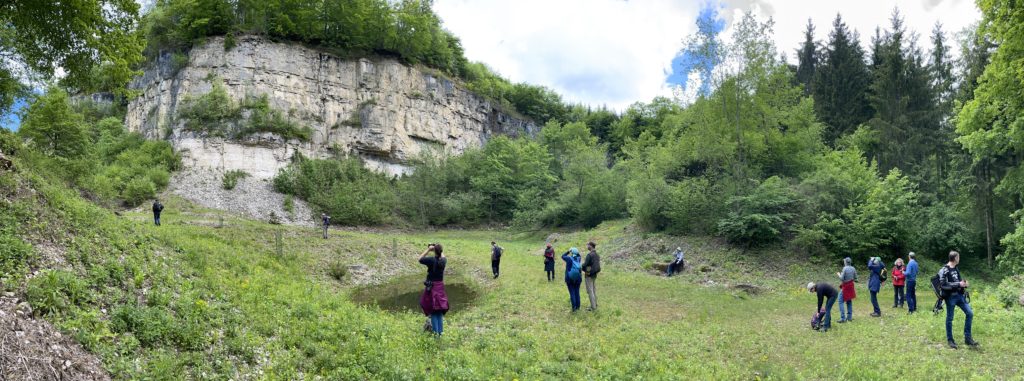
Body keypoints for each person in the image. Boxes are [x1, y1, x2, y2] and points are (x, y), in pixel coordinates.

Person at [939, 251, 978, 349]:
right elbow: (943, 285)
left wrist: (964, 284)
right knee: (950, 318)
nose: (959, 259)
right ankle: (950, 340)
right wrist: (958, 284)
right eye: (958, 257)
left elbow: (959, 281)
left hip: (960, 296)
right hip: (950, 297)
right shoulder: (944, 270)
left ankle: (968, 338)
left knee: (970, 313)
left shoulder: (956, 268)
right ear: (955, 258)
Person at [418, 243, 449, 335]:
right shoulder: (443, 261)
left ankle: (436, 335)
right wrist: (437, 248)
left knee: (433, 311)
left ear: (434, 251)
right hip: (440, 287)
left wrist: (428, 250)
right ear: (441, 251)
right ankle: (440, 333)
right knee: (439, 311)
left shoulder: (431, 260)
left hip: (432, 288)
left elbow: (420, 259)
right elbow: (443, 256)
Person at [562, 248, 583, 312]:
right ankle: (578, 307)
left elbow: (562, 256)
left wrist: (568, 251)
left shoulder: (569, 259)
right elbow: (578, 255)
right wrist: (576, 251)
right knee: (577, 292)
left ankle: (574, 308)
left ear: (572, 252)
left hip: (569, 278)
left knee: (572, 293)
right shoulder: (579, 258)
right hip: (578, 278)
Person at [582, 242, 601, 311]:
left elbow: (585, 264)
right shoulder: (596, 254)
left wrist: (582, 267)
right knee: (593, 290)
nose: (587, 246)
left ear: (591, 246)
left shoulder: (589, 255)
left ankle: (593, 307)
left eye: (588, 245)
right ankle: (595, 304)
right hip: (594, 274)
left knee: (590, 291)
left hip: (589, 274)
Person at [837, 257, 857, 323]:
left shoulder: (845, 268)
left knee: (840, 300)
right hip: (851, 286)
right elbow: (855, 278)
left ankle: (843, 318)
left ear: (845, 262)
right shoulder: (853, 268)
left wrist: (839, 274)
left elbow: (842, 278)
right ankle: (849, 317)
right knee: (849, 301)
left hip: (846, 286)